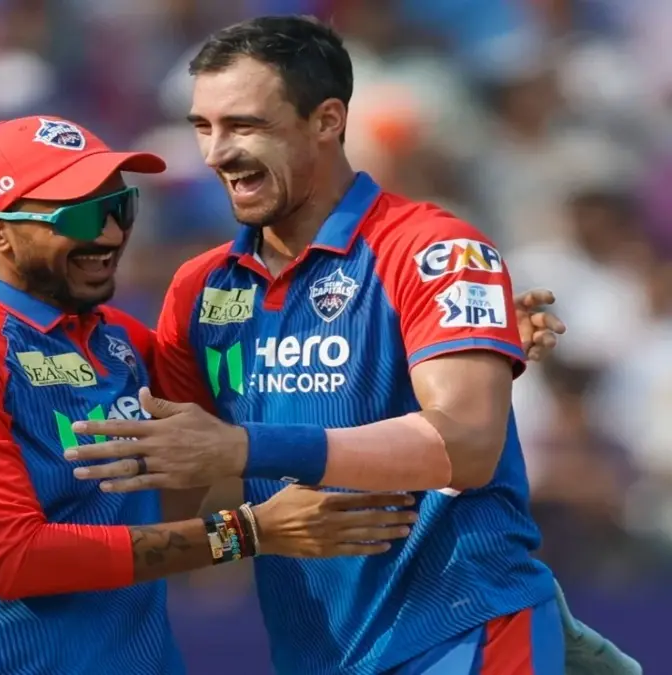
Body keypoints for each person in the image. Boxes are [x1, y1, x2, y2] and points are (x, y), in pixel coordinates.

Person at [0, 115, 560, 674]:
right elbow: (15, 559)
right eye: (77, 219)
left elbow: (285, 383)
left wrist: (459, 339)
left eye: (117, 206)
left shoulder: (120, 343)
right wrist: (247, 533)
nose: (109, 234)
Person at [67, 16, 635, 675]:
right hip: (317, 652)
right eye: (204, 127)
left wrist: (248, 446)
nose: (218, 152)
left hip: (461, 629)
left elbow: (469, 447)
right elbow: (187, 493)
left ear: (327, 120)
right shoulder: (200, 288)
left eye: (245, 125)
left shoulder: (433, 248)